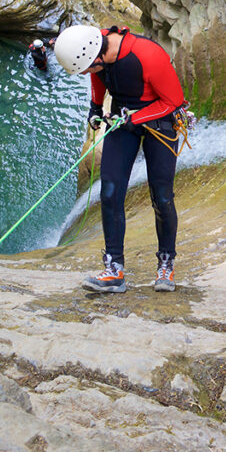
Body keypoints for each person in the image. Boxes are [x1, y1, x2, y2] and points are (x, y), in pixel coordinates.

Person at [54, 23, 187, 293]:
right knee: (110, 192)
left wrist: (133, 119)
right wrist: (94, 108)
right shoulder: (97, 52)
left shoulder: (147, 55)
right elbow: (98, 77)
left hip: (160, 121)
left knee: (161, 196)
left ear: (97, 58)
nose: (89, 72)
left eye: (89, 67)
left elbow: (173, 100)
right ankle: (114, 269)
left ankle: (166, 263)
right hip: (122, 118)